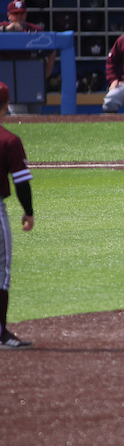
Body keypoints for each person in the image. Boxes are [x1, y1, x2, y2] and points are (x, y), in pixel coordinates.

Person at [0, 82, 34, 349]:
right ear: (6, 105)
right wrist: (28, 212)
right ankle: (1, 334)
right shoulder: (9, 140)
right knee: (2, 272)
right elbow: (21, 182)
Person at [1, 0, 56, 115]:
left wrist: (47, 71)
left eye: (22, 13)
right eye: (15, 14)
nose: (19, 16)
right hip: (13, 84)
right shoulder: (4, 28)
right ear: (9, 16)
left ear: (26, 14)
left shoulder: (35, 30)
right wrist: (6, 30)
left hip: (32, 83)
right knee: (21, 117)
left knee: (34, 118)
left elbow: (52, 48)